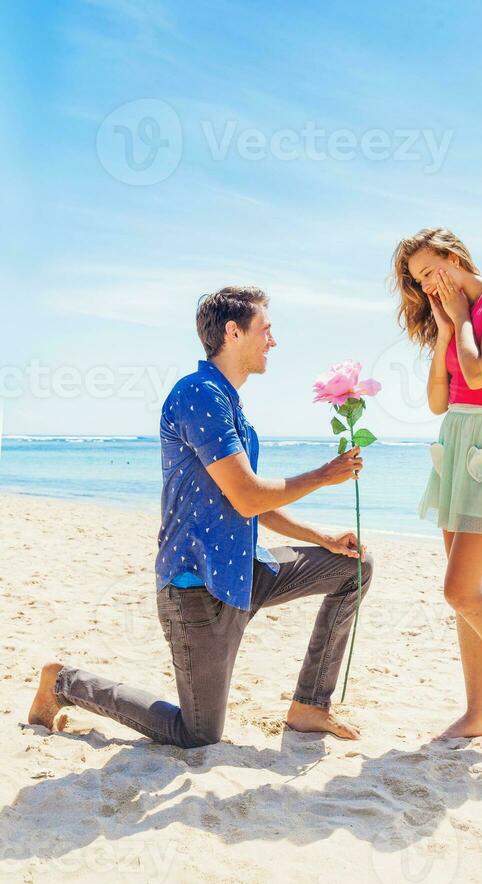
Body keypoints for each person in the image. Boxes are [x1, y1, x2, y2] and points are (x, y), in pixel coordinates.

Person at [29, 286, 373, 746]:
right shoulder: (199, 395)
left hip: (247, 571)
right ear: (233, 332)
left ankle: (310, 705)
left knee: (353, 566)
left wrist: (323, 538)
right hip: (198, 587)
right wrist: (324, 475)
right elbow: (249, 497)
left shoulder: (230, 402)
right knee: (197, 734)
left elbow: (245, 502)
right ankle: (63, 682)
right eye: (265, 330)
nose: (273, 341)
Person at [392, 227, 482, 752]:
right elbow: (439, 400)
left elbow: (479, 376)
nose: (430, 283)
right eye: (419, 280)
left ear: (454, 257)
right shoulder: (449, 318)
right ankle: (477, 714)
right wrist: (442, 329)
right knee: (465, 595)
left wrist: (457, 321)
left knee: (459, 589)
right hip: (456, 439)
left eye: (433, 270)